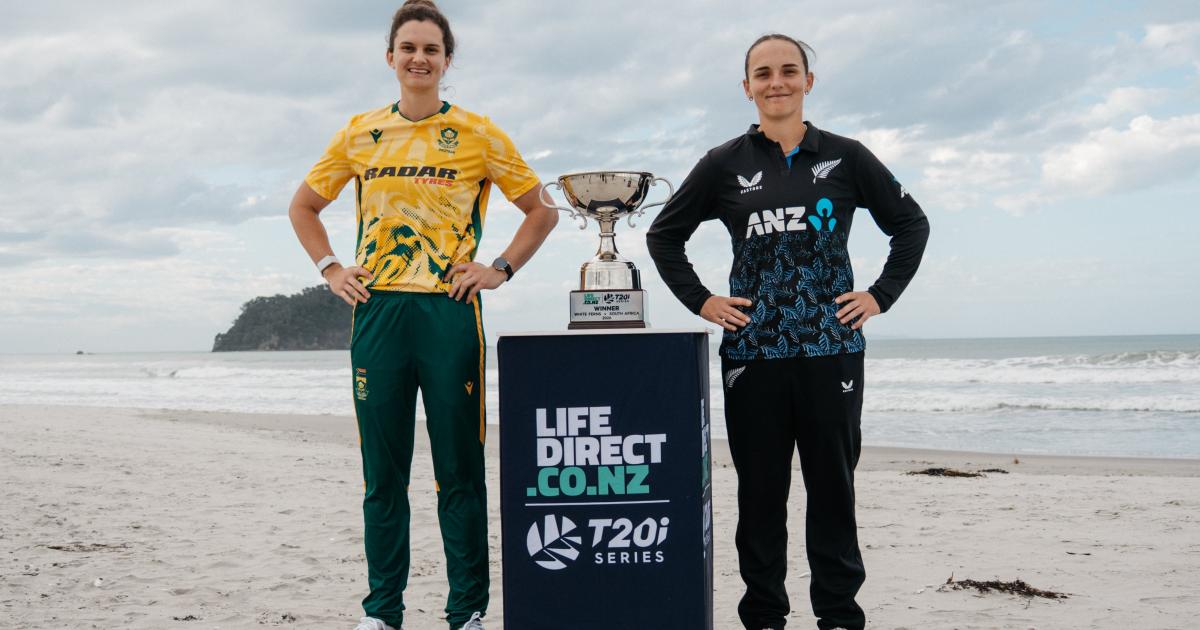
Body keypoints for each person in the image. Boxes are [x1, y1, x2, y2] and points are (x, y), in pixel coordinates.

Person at [646, 34, 930, 630]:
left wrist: (879, 295)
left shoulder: (847, 157)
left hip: (832, 348)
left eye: (788, 71)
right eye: (763, 73)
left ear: (808, 81)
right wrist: (703, 301)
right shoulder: (723, 163)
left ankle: (839, 615)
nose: (777, 82)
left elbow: (911, 225)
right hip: (753, 353)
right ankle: (764, 616)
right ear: (746, 87)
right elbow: (663, 235)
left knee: (833, 490)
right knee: (760, 494)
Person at [288, 2, 557, 629]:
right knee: (383, 476)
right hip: (378, 311)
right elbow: (304, 206)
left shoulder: (479, 134)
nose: (419, 58)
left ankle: (466, 611)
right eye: (408, 48)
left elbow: (542, 209)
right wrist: (331, 267)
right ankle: (383, 612)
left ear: (446, 60)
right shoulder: (359, 133)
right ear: (390, 57)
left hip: (449, 313)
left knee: (459, 472)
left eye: (431, 49)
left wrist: (500, 268)